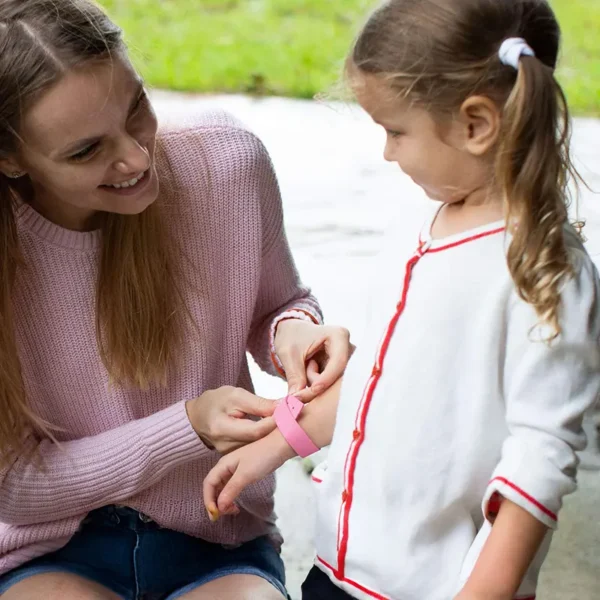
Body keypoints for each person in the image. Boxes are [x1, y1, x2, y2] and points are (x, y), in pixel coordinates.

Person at [203, 1, 600, 599]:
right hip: (343, 570)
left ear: (475, 124)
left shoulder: (543, 271)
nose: (387, 153)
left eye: (396, 131)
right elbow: (378, 384)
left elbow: (540, 457)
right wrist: (278, 443)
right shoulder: (427, 225)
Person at [0, 1, 352, 599]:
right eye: (86, 150)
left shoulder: (229, 167)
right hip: (50, 552)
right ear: (10, 159)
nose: (136, 157)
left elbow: (278, 303)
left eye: (136, 106)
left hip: (217, 541)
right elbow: (15, 487)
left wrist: (295, 330)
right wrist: (187, 425)